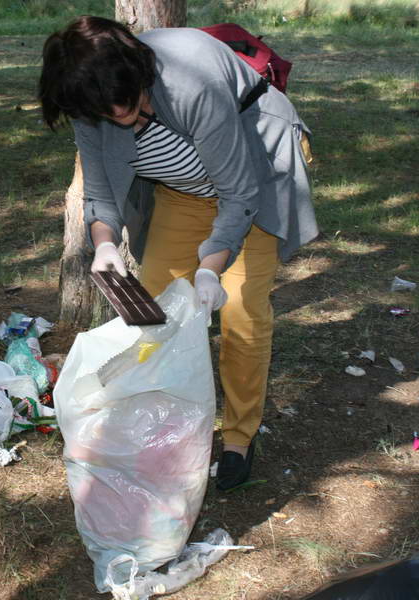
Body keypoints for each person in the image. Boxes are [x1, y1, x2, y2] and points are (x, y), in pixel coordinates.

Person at [38, 16, 318, 491]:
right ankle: (162, 419)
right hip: (183, 192)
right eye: (103, 111)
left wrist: (210, 269)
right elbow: (100, 193)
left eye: (125, 104)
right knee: (153, 307)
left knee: (242, 311)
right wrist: (104, 243)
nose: (117, 115)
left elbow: (238, 193)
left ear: (135, 73)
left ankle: (239, 437)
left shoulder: (191, 84)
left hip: (255, 179)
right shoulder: (88, 100)